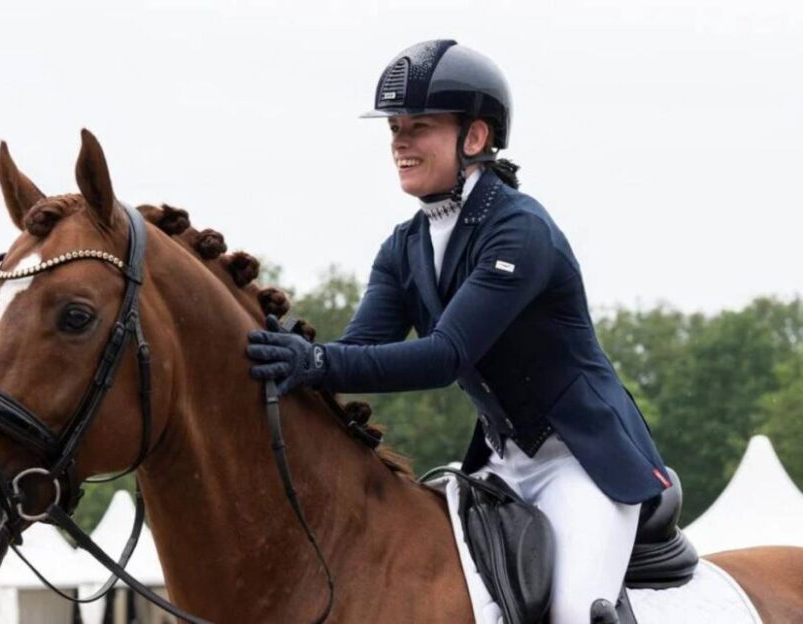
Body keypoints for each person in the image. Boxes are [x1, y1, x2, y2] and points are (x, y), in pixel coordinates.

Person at [246, 39, 672, 623]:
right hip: (500, 465)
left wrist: (315, 363)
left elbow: (445, 355)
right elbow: (360, 350)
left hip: (584, 460)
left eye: (418, 125)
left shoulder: (519, 230)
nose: (399, 141)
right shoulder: (405, 246)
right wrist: (274, 341)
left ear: (473, 138)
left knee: (574, 611)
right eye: (395, 127)